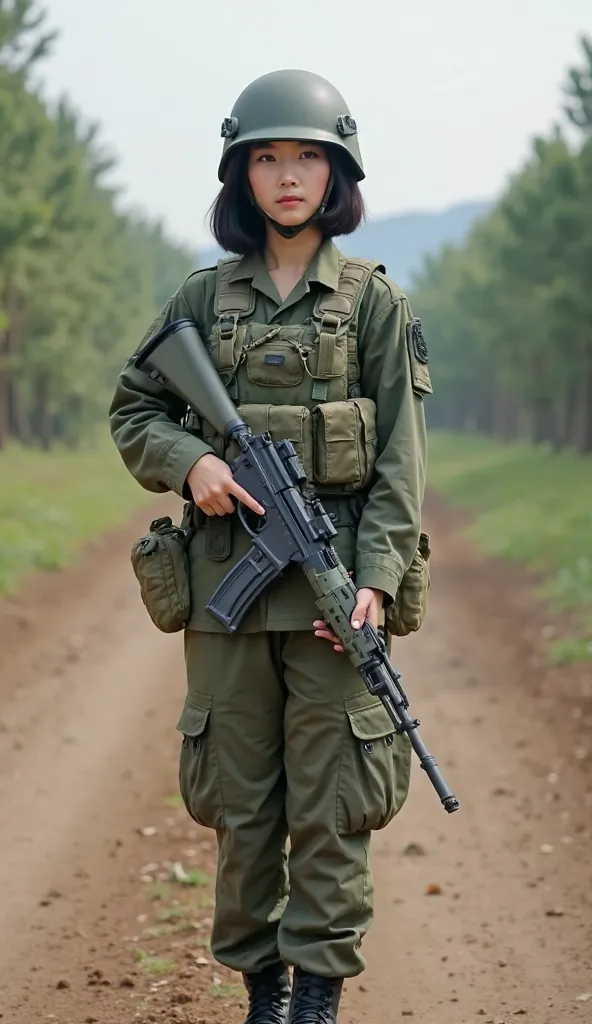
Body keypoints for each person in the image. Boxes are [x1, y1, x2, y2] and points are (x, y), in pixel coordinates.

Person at [109, 68, 431, 1024]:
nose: (288, 175)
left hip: (334, 602)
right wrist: (191, 464)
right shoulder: (202, 299)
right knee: (243, 806)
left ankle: (318, 997)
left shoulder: (376, 305)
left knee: (331, 808)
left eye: (307, 158)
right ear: (241, 176)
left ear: (337, 174)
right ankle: (262, 993)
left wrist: (371, 585)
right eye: (268, 158)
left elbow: (401, 471)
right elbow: (135, 407)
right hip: (228, 594)